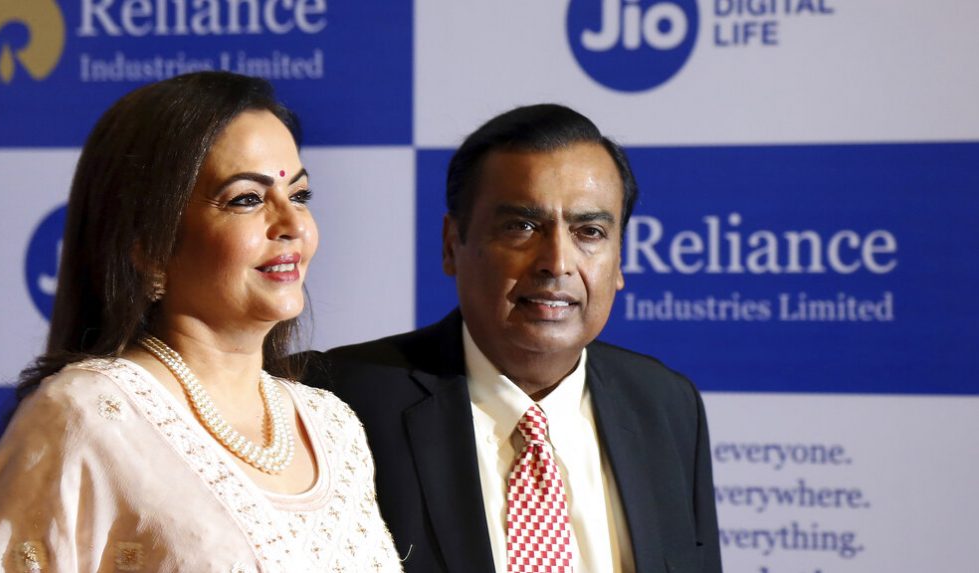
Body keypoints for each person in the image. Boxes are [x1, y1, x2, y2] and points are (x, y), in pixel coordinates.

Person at [0, 72, 401, 572]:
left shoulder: (332, 427)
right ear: (148, 247)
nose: (294, 225)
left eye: (298, 195)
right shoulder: (87, 416)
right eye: (247, 199)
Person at [308, 104, 722, 573]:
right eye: (522, 227)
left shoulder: (666, 406)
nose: (557, 263)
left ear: (620, 259)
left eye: (590, 232)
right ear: (451, 245)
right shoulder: (339, 401)